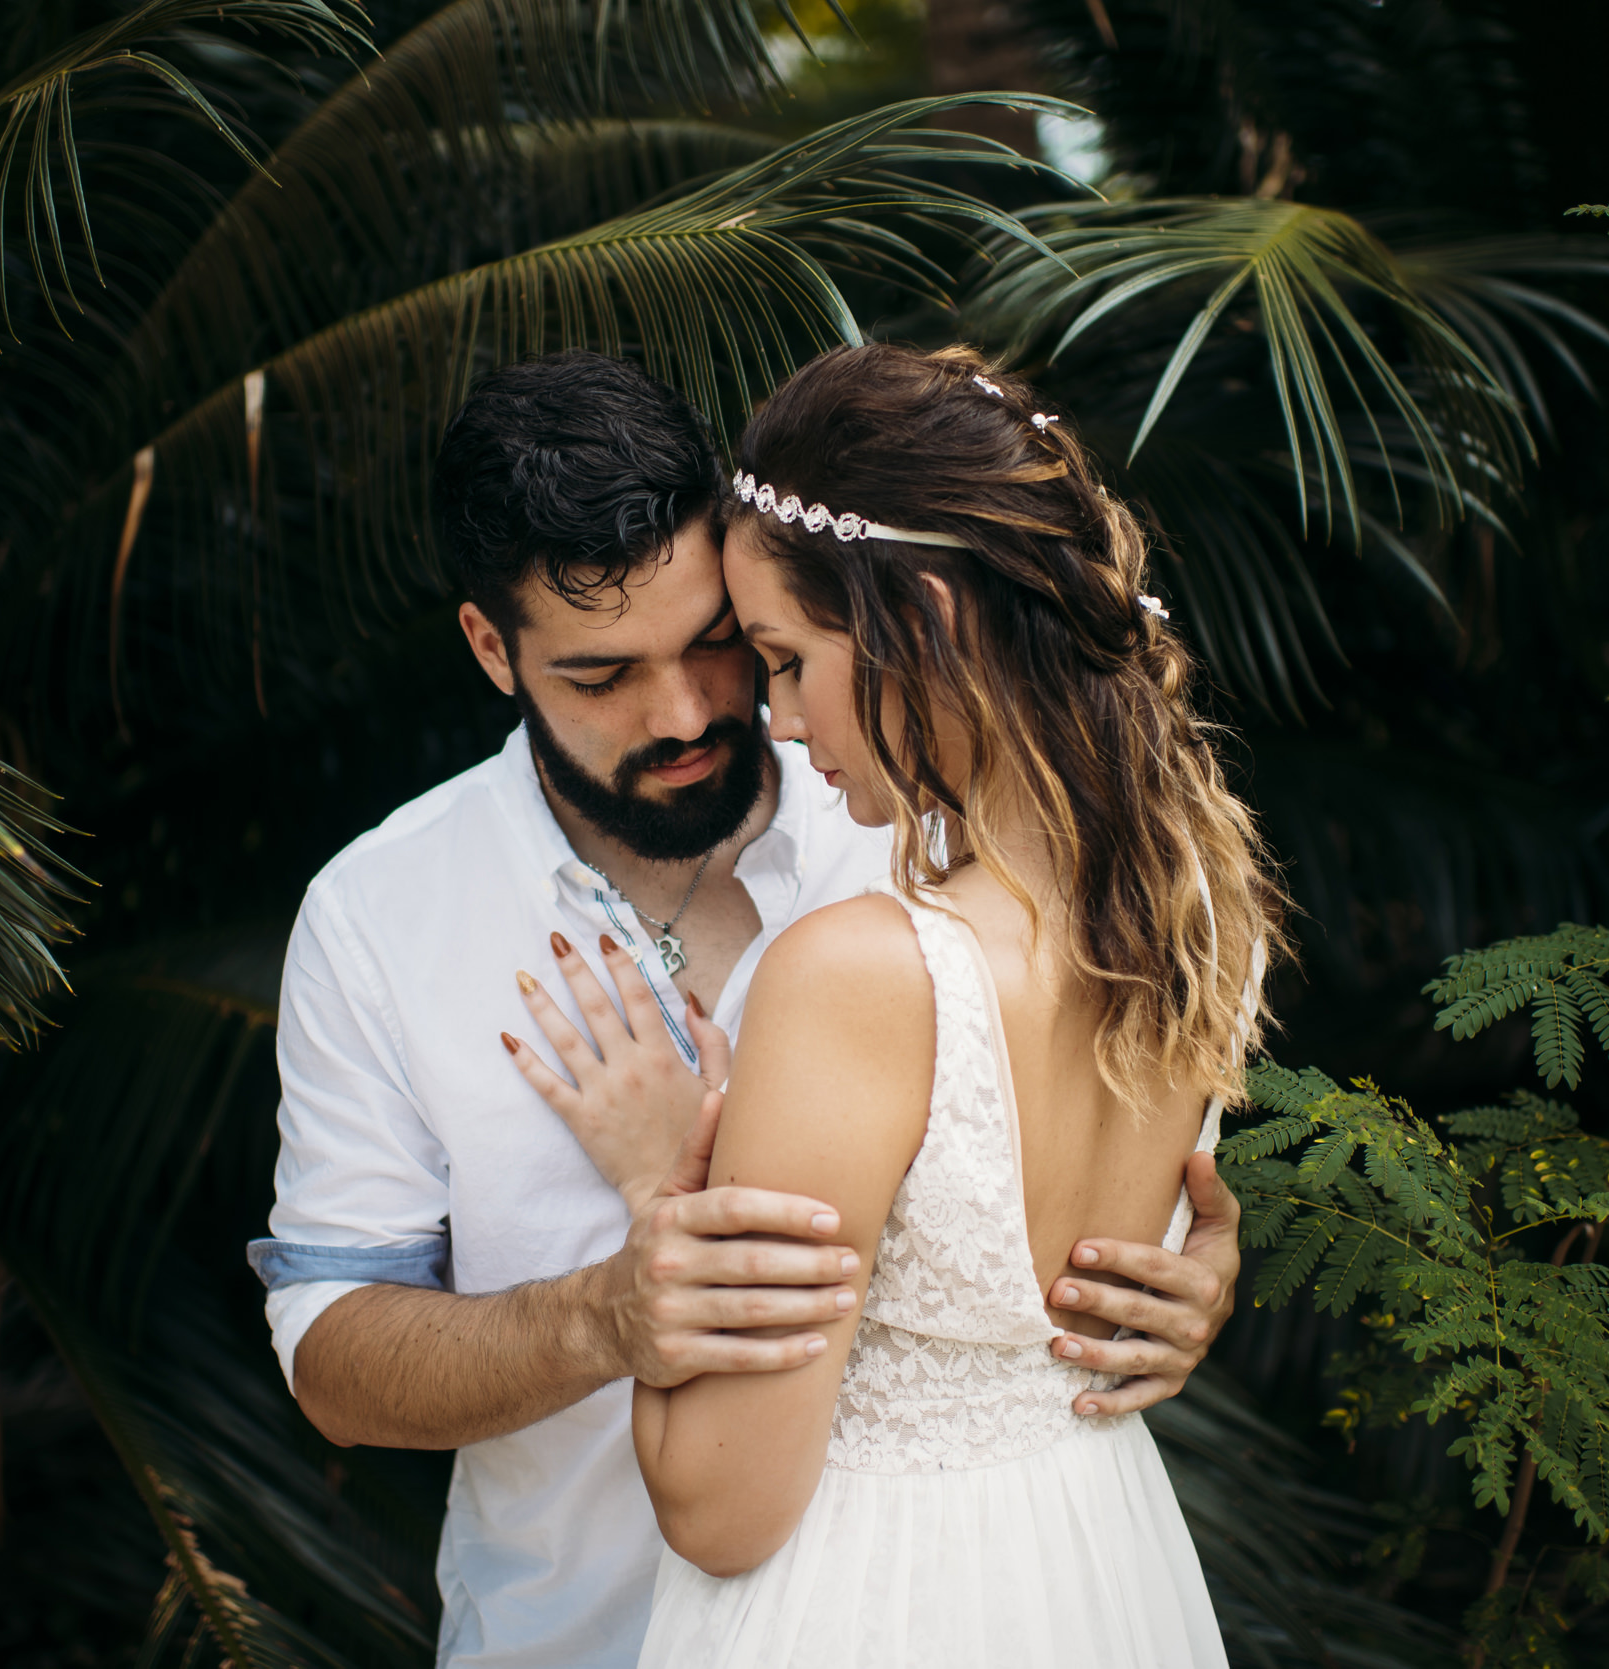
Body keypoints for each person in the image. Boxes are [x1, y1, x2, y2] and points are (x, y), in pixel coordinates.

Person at [252, 350, 1247, 1669]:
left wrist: (1192, 1278)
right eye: (603, 676)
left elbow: (1057, 1217)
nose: (690, 715)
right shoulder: (378, 916)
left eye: (726, 645)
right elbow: (332, 1354)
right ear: (492, 648)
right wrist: (604, 1311)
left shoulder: (925, 826)